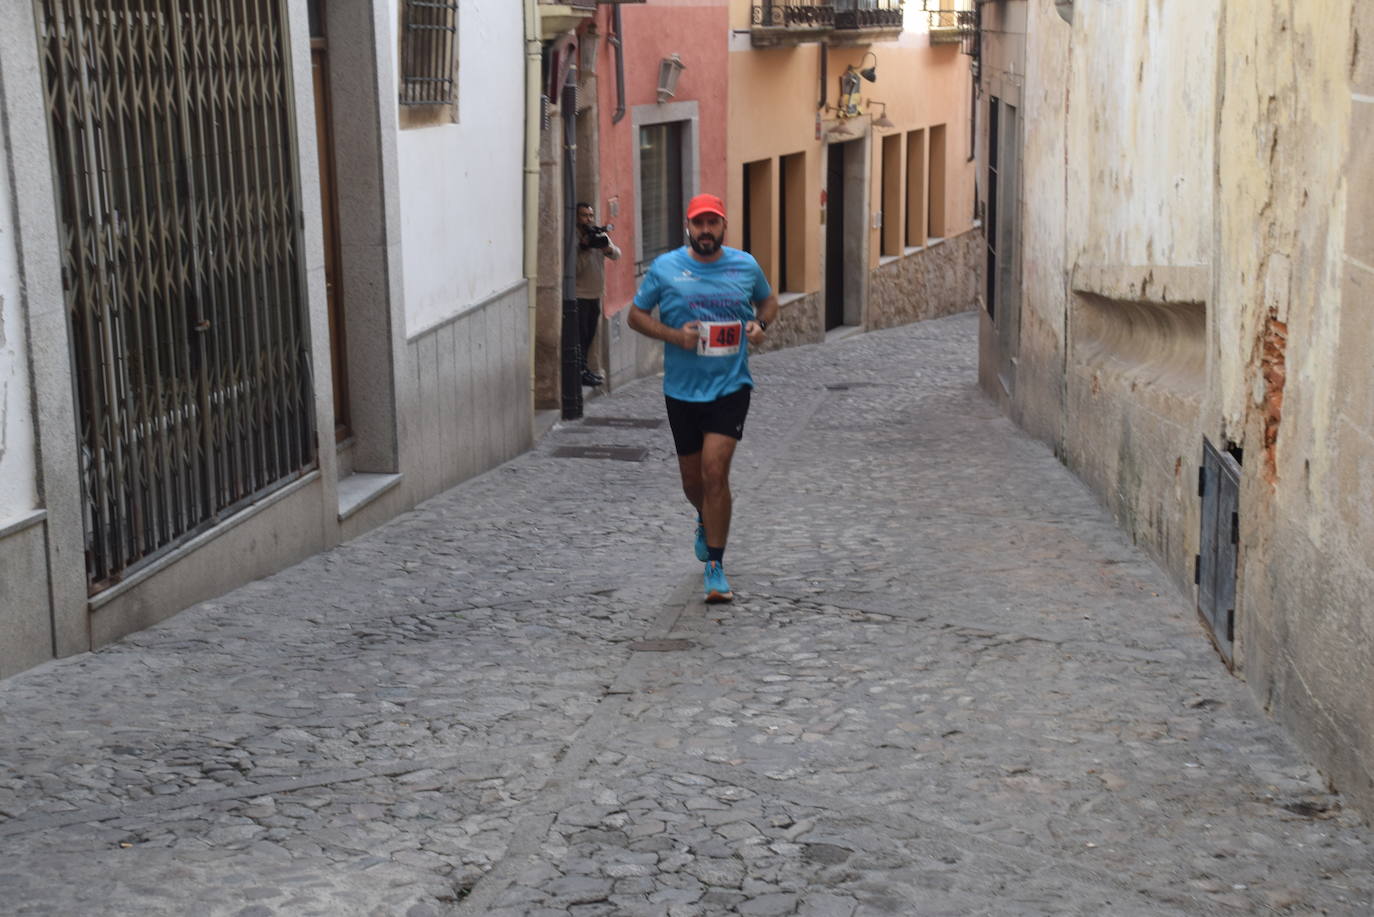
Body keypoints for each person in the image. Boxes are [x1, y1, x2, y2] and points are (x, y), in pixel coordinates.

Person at [627, 193, 779, 603]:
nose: (706, 231)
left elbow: (768, 301)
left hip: (731, 386)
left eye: (713, 223)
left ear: (724, 226)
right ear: (688, 227)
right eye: (699, 223)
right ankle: (702, 516)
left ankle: (716, 565)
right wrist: (675, 336)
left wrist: (761, 325)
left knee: (715, 472)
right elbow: (636, 316)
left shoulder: (745, 265)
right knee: (693, 482)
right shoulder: (666, 268)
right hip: (682, 391)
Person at [575, 202, 621, 387]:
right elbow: (575, 269)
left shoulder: (598, 234)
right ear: (576, 217)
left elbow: (617, 254)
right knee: (581, 336)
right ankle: (580, 372)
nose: (588, 219)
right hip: (580, 295)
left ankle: (585, 369)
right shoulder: (575, 238)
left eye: (590, 215)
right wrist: (585, 249)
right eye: (584, 215)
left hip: (596, 294)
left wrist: (607, 249)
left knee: (590, 335)